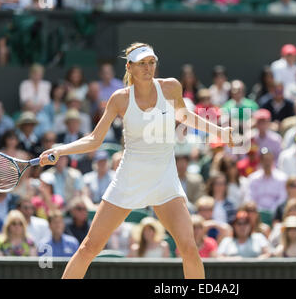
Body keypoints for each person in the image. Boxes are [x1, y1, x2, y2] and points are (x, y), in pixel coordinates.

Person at [39, 42, 234, 279]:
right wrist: (60, 150)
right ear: (129, 67)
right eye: (142, 63)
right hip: (129, 179)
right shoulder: (120, 99)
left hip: (165, 181)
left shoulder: (171, 87)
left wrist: (220, 132)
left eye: (151, 62)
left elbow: (185, 116)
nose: (148, 68)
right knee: (89, 247)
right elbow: (93, 139)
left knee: (189, 248)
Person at [245, 148, 287, 214]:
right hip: (256, 213)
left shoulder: (282, 178)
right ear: (261, 161)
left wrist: (272, 211)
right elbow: (250, 197)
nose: (267, 162)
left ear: (272, 160)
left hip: (276, 213)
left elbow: (282, 198)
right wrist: (259, 211)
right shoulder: (253, 178)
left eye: (269, 159)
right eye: (265, 159)